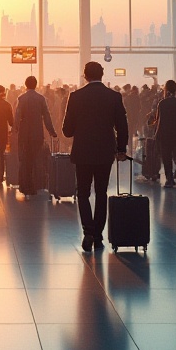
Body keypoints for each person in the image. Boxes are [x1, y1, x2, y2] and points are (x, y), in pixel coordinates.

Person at [62, 61, 129, 252]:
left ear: (85, 75)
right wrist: (121, 148)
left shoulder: (75, 97)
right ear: (102, 74)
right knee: (101, 192)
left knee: (82, 192)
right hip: (105, 151)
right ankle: (99, 234)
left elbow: (67, 130)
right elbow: (122, 125)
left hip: (82, 151)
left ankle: (88, 231)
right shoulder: (114, 96)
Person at [14, 75, 57, 197]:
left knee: (25, 160)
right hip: (37, 133)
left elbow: (17, 115)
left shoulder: (21, 98)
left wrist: (15, 129)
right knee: (36, 160)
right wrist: (52, 131)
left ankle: (25, 186)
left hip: (24, 134)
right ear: (36, 85)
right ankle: (36, 185)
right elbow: (46, 116)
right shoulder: (41, 99)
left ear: (26, 84)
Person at [151, 80, 176, 188]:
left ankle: (169, 179)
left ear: (166, 90)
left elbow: (157, 119)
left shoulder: (162, 103)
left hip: (163, 133)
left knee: (166, 156)